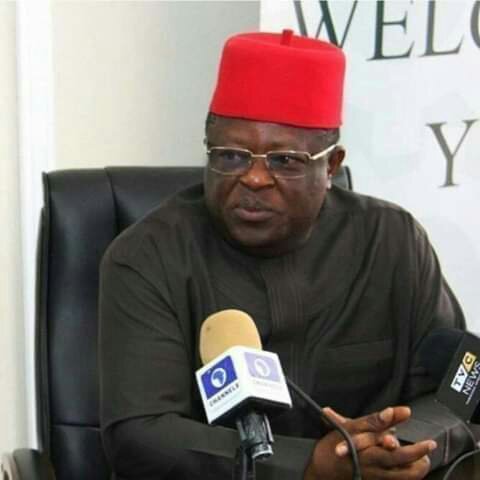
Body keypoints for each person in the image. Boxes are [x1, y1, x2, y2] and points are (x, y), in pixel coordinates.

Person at [99, 30, 475, 480]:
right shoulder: (148, 256)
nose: (254, 178)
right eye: (232, 156)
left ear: (331, 165)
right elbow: (142, 435)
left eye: (285, 161)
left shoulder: (392, 240)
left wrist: (399, 448)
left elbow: (460, 389)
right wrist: (308, 465)